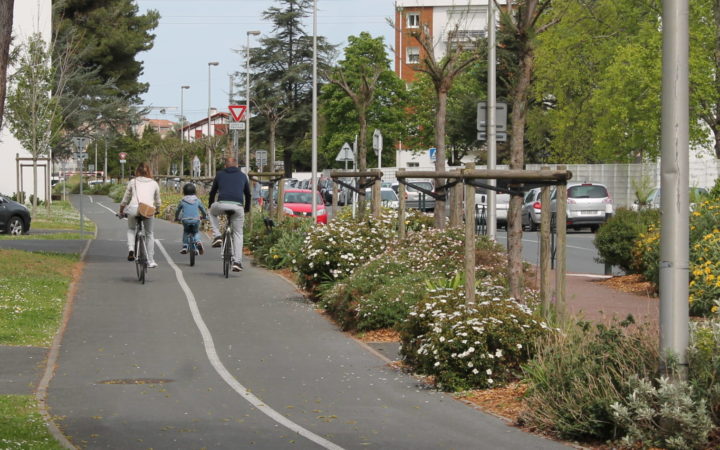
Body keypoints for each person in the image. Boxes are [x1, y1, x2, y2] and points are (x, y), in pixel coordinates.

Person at [208, 157, 251, 272]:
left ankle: (217, 235)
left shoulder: (219, 174)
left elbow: (213, 192)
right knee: (238, 233)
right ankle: (237, 262)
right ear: (237, 165)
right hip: (238, 207)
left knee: (211, 212)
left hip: (222, 205)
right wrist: (246, 208)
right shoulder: (243, 176)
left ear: (225, 166)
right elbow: (248, 194)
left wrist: (211, 204)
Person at [119, 162, 161, 268]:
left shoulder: (133, 182)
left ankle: (131, 250)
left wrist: (121, 211)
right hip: (148, 210)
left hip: (133, 209)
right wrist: (158, 210)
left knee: (131, 229)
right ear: (149, 171)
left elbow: (125, 199)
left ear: (137, 171)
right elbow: (158, 201)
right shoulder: (154, 183)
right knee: (149, 234)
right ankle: (150, 260)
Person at [175, 183, 208, 255]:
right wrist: (205, 216)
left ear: (184, 192)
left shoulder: (182, 201)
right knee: (196, 232)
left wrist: (176, 217)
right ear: (194, 191)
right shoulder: (197, 200)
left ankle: (185, 246)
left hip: (185, 220)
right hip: (196, 219)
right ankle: (198, 242)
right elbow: (202, 209)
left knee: (186, 231)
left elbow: (177, 210)